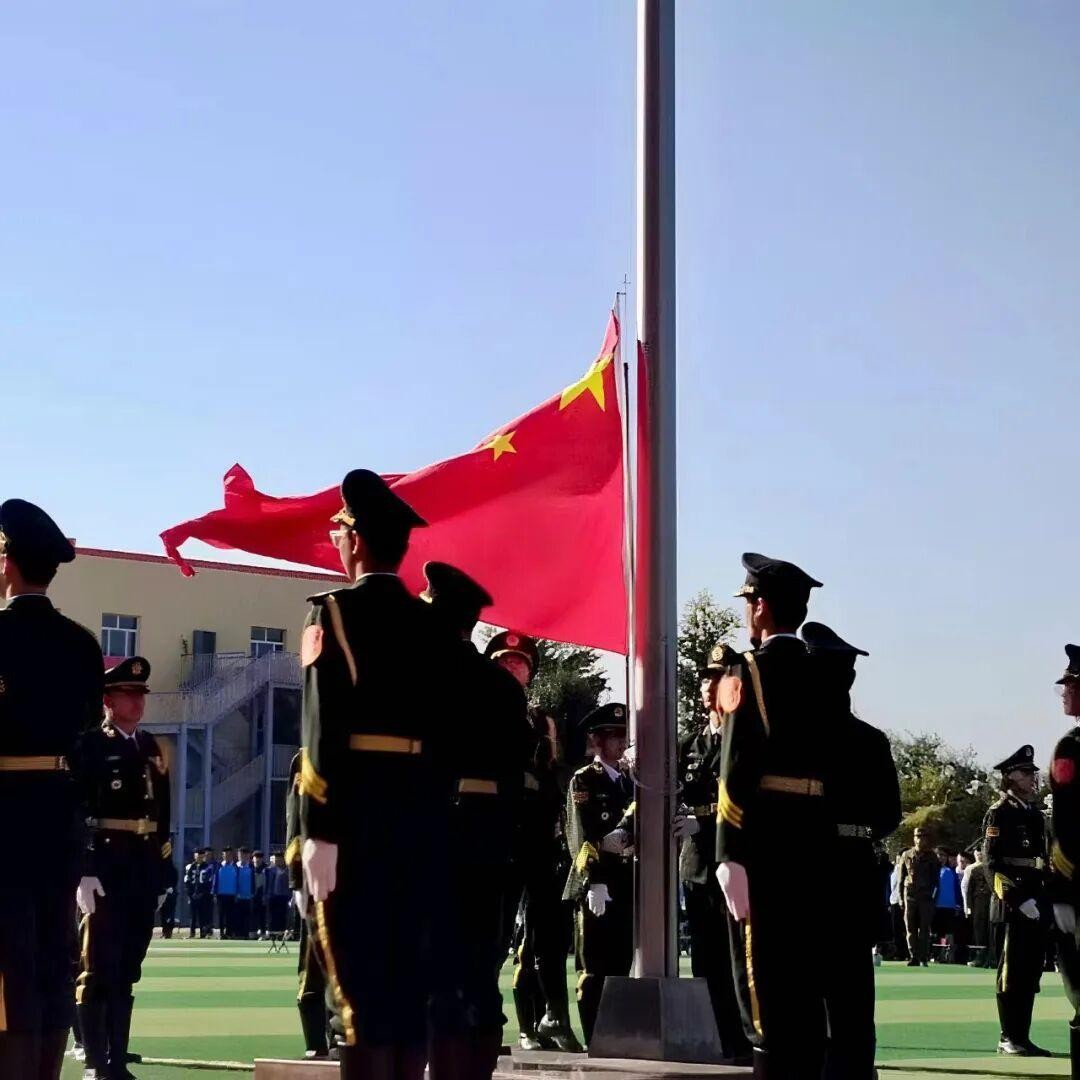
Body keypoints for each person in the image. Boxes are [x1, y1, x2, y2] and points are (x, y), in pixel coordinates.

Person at [298, 469, 459, 1080]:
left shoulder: (332, 613)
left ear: (357, 541)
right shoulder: (434, 623)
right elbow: (449, 734)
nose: (337, 542)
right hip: (422, 822)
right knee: (409, 989)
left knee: (359, 996)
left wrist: (317, 829)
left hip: (356, 822)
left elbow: (320, 732)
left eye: (339, 533)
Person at [713, 553, 833, 1079]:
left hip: (762, 844)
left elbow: (735, 767)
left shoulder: (747, 670)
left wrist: (728, 853)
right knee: (807, 983)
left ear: (760, 607)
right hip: (816, 843)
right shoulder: (824, 669)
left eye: (749, 603)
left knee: (761, 987)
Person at [0, 499, 104, 1079]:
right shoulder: (82, 644)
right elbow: (88, 740)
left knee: (10, 962)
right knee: (52, 959)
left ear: (8, 562)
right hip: (61, 817)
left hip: (6, 819)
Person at [422, 562, 531, 1080]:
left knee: (433, 967)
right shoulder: (503, 687)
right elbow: (519, 768)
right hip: (490, 840)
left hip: (433, 833)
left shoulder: (422, 678)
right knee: (480, 967)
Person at [801, 621, 902, 1080]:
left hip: (809, 873)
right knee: (854, 993)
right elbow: (889, 816)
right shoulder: (871, 739)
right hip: (857, 873)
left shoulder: (795, 737)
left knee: (808, 991)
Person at [73, 656, 171, 1080]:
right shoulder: (90, 746)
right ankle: (95, 1060)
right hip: (105, 866)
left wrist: (164, 873)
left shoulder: (151, 747)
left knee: (128, 967)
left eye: (140, 695)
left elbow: (163, 813)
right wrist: (84, 868)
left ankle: (117, 1058)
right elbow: (77, 809)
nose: (137, 702)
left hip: (141, 867)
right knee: (98, 964)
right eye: (128, 695)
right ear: (108, 701)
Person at [672, 644, 750, 1064]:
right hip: (696, 862)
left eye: (717, 678)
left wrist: (703, 821)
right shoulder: (689, 744)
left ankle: (744, 1040)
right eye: (705, 678)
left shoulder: (745, 739)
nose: (708, 686)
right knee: (705, 958)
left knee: (739, 958)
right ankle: (715, 1040)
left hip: (732, 859)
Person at [562, 703, 634, 1047]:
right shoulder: (584, 779)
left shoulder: (629, 781)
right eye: (614, 736)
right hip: (598, 884)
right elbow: (580, 834)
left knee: (621, 964)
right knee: (593, 967)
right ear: (597, 740)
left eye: (623, 735)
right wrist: (594, 880)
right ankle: (595, 1038)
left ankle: (615, 1035)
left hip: (626, 881)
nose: (621, 742)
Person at [514, 706, 580, 1053]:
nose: (550, 741)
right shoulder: (521, 772)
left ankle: (554, 1017)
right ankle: (528, 1025)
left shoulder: (562, 774)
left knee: (553, 948)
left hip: (556, 868)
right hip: (527, 865)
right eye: (545, 734)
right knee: (529, 948)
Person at [983, 743, 1051, 1056]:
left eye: (1032, 772)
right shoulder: (999, 813)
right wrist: (1016, 899)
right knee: (1011, 972)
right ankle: (1008, 1035)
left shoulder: (1033, 814)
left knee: (1030, 971)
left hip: (1036, 899)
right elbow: (992, 864)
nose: (1032, 777)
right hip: (1013, 905)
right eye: (1025, 772)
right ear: (1010, 776)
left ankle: (1022, 1036)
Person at [285, 749, 331, 1060]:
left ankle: (342, 1042)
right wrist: (296, 875)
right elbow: (297, 817)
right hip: (319, 872)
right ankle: (316, 1043)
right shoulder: (309, 756)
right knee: (315, 963)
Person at [1049, 644, 1080, 1074]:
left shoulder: (1072, 747)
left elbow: (1068, 822)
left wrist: (1064, 889)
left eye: (1071, 685)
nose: (1065, 693)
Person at [896, 829, 939, 966]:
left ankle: (923, 956)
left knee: (924, 928)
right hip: (909, 894)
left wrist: (933, 898)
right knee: (910, 927)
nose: (920, 839)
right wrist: (900, 898)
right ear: (914, 838)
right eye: (918, 836)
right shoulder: (906, 854)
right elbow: (900, 879)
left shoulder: (932, 856)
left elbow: (936, 881)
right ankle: (913, 955)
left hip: (925, 895)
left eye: (923, 837)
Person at [935, 848, 963, 958]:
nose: (941, 857)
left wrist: (958, 904)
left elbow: (957, 889)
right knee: (940, 932)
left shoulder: (952, 872)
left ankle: (950, 954)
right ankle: (941, 952)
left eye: (943, 855)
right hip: (936, 906)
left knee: (949, 931)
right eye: (939, 855)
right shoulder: (932, 871)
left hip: (950, 906)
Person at [214, 848, 238, 939]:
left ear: (231, 856)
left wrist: (237, 893)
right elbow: (215, 880)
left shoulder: (235, 867)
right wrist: (214, 893)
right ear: (223, 856)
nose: (227, 857)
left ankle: (229, 933)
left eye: (229, 855)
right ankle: (221, 933)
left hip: (231, 895)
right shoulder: (219, 866)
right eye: (225, 855)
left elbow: (237, 881)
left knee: (230, 915)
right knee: (221, 915)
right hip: (220, 894)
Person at [265, 852, 291, 934]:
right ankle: (272, 932)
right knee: (272, 916)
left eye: (279, 859)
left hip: (284, 896)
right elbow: (267, 883)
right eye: (276, 860)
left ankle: (281, 932)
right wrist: (267, 895)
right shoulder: (270, 870)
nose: (277, 861)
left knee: (282, 916)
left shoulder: (287, 870)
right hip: (272, 896)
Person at [159, 838, 179, 939]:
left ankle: (169, 931)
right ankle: (164, 930)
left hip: (170, 892)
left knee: (170, 913)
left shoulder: (172, 869)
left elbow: (175, 879)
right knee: (163, 913)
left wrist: (170, 888)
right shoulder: (161, 868)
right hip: (162, 891)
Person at [195, 849, 216, 938]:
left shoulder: (212, 866)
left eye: (209, 855)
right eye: (206, 855)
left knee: (208, 913)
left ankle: (208, 931)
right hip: (200, 893)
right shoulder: (199, 866)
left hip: (209, 893)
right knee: (201, 914)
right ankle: (202, 932)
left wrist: (213, 892)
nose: (207, 857)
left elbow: (213, 880)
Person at [235, 847, 255, 940]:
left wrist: (252, 893)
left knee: (247, 917)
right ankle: (237, 934)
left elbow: (254, 882)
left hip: (248, 896)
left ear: (247, 856)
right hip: (237, 896)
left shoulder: (251, 867)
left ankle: (245, 934)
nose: (241, 857)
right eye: (240, 855)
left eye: (243, 855)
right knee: (237, 916)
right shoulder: (235, 866)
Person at [251, 850, 267, 940]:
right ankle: (253, 932)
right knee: (252, 914)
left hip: (262, 895)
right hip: (251, 895)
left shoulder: (266, 869)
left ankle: (262, 932)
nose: (257, 860)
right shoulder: (250, 868)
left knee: (262, 915)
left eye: (259, 858)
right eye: (255, 858)